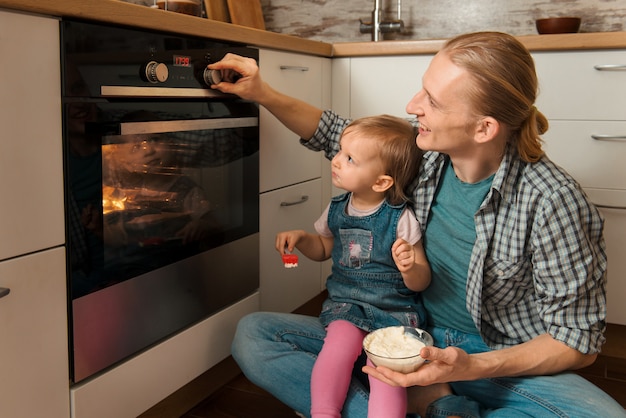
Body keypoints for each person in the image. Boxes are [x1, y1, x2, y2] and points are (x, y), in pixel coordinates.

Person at [208, 31, 626, 417]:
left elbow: (576, 341)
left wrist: (468, 367)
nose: (412, 105)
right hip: (398, 331)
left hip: (491, 356)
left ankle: (425, 402)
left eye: (433, 100)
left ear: (484, 128)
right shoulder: (422, 156)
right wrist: (261, 92)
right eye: (422, 88)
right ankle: (422, 403)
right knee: (255, 335)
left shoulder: (554, 200)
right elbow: (337, 134)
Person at [276, 115, 430, 418]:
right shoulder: (336, 208)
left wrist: (411, 267)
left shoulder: (400, 218)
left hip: (393, 313)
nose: (336, 161)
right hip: (347, 305)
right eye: (339, 152)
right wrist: (302, 239)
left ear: (381, 181)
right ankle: (323, 412)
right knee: (337, 350)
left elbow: (421, 281)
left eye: (349, 158)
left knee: (385, 374)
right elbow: (323, 249)